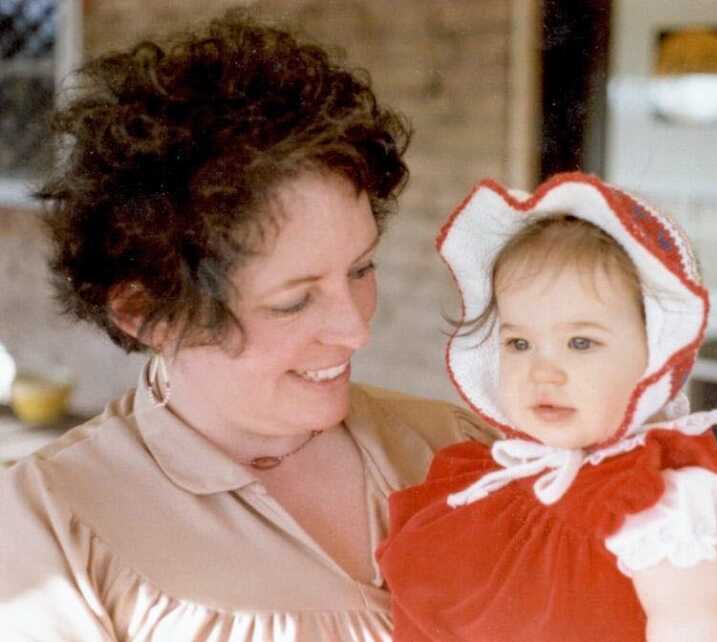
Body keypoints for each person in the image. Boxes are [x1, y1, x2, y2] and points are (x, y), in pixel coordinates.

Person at [0, 11, 497, 641]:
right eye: (293, 301)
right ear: (147, 312)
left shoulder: (459, 450)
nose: (354, 331)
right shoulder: (54, 522)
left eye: (362, 268)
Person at [377, 172, 717, 641]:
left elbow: (691, 627)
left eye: (580, 342)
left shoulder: (657, 500)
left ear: (655, 356)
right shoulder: (490, 485)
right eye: (519, 342)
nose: (543, 371)